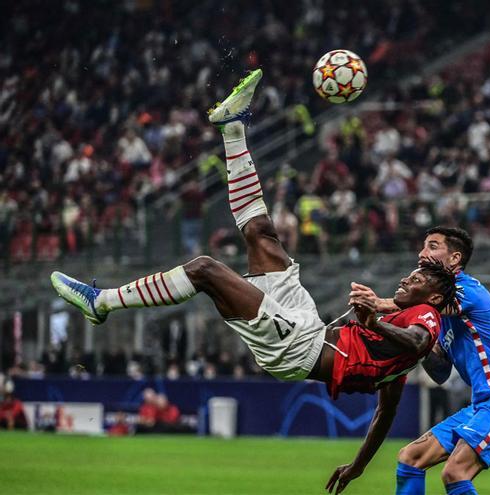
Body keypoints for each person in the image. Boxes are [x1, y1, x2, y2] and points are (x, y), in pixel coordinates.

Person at [50, 70, 456, 494]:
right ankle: (232, 127)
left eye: (419, 277)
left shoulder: (423, 318)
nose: (410, 276)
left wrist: (373, 320)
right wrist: (356, 467)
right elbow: (383, 418)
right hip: (308, 324)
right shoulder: (397, 367)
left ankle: (102, 302)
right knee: (262, 234)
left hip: (297, 349)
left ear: (434, 294)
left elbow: (416, 343)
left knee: (206, 269)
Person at [350, 226, 490, 495]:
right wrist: (416, 347)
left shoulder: (465, 290)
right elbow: (439, 372)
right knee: (410, 457)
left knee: (455, 472)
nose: (422, 253)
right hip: (485, 403)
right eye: (423, 246)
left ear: (454, 259)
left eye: (433, 246)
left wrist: (378, 304)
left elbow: (425, 303)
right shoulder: (445, 316)